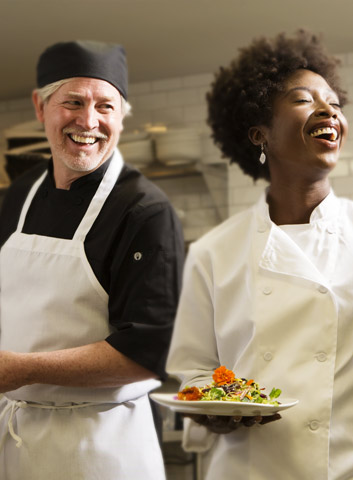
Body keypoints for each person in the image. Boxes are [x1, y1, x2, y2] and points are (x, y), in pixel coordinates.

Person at [166, 30, 353, 479]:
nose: (328, 111)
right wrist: (212, 407)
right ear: (259, 132)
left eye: (335, 104)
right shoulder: (214, 252)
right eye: (304, 99)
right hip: (250, 469)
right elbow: (193, 372)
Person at [0, 40, 184, 479]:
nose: (89, 121)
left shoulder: (145, 212)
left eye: (105, 106)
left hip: (102, 446)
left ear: (122, 116)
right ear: (40, 107)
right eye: (73, 102)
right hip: (17, 439)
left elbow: (147, 352)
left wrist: (19, 369)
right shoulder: (17, 196)